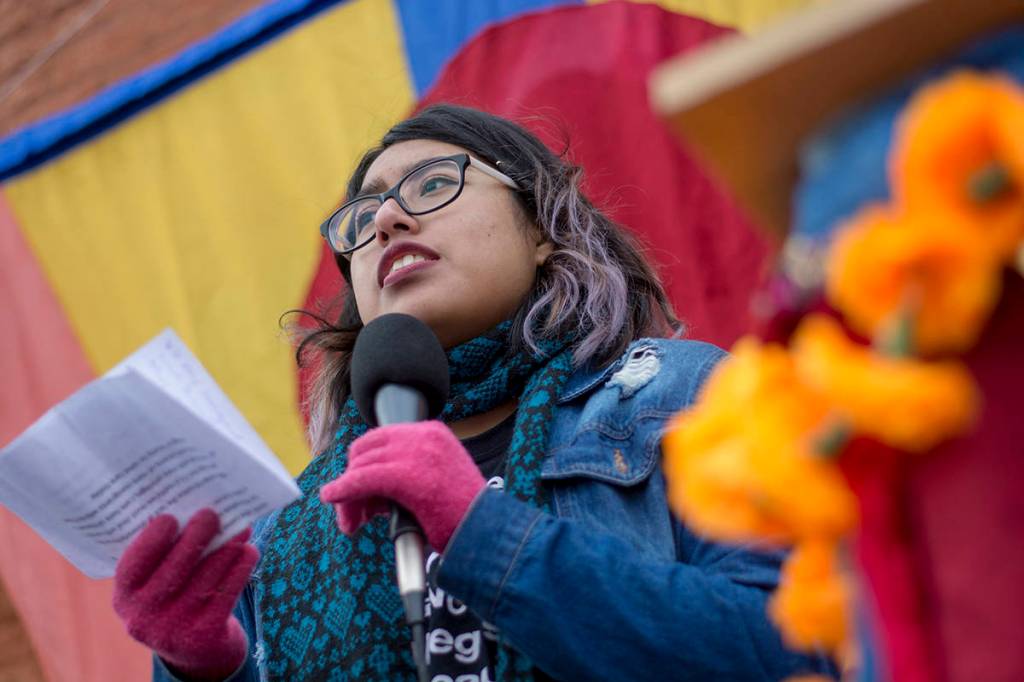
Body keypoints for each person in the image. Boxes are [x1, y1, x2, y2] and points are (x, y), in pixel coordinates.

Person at [112, 104, 836, 681]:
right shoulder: (280, 526)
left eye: (432, 184)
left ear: (543, 227)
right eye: (360, 223)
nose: (387, 220)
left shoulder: (685, 395)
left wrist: (483, 535)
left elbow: (799, 649)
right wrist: (205, 670)